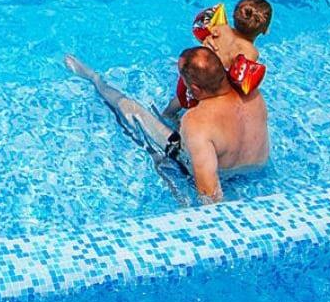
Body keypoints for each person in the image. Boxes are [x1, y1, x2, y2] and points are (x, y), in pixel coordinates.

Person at [63, 47, 268, 204]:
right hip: (254, 172)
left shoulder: (197, 122)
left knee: (129, 109)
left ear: (195, 89)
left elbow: (210, 198)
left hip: (217, 174)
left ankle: (93, 78)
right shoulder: (252, 94)